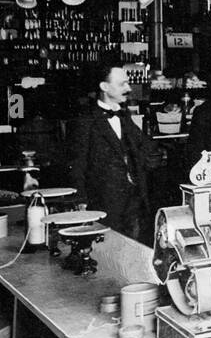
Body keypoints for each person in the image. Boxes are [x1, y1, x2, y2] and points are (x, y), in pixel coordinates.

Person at [68, 63, 160, 242]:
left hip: (133, 201)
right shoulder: (86, 121)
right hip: (105, 203)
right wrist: (80, 200)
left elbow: (145, 147)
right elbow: (78, 164)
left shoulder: (123, 117)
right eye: (122, 84)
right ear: (104, 87)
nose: (128, 88)